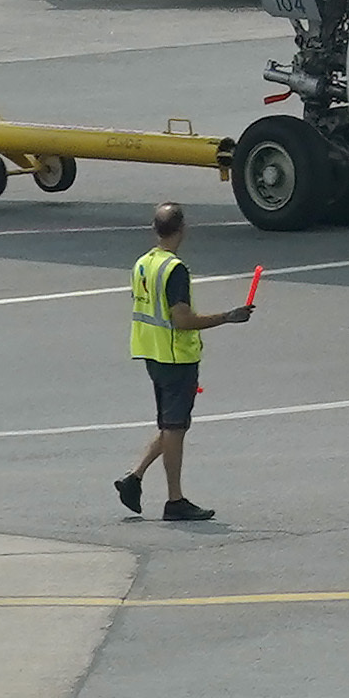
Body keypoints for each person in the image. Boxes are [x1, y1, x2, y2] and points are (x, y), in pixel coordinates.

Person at [115, 201, 251, 522]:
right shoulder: (175, 269)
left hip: (152, 352)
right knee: (175, 427)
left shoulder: (144, 263)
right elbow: (182, 320)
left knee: (169, 423)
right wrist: (227, 317)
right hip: (176, 356)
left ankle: (134, 478)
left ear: (155, 229)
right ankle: (174, 500)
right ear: (182, 229)